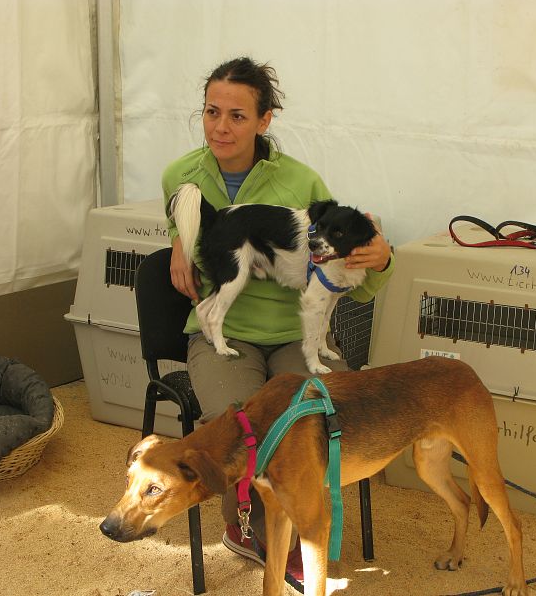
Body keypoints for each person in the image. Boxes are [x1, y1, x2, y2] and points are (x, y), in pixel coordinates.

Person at [161, 56, 394, 589]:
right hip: (226, 336)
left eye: (238, 116)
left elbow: (346, 269)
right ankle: (251, 528)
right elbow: (189, 223)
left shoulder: (303, 182)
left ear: (265, 121)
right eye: (211, 112)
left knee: (311, 417)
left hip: (294, 334)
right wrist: (178, 237)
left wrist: (381, 259)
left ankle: (299, 528)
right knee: (234, 424)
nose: (221, 127)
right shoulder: (181, 174)